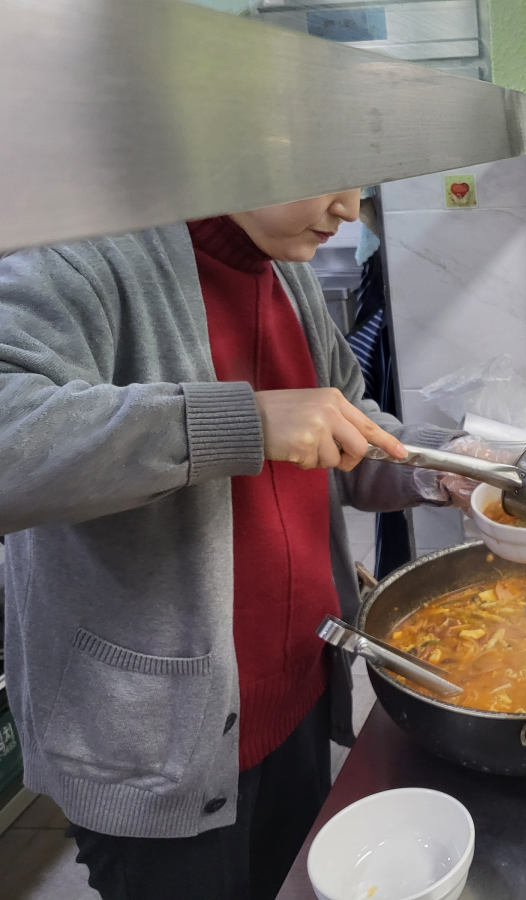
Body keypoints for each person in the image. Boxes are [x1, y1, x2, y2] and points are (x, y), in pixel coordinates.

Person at [0, 192, 468, 900]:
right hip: (158, 750)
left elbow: (349, 431)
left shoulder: (285, 267)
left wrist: (447, 467)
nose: (349, 207)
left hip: (299, 694)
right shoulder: (83, 251)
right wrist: (242, 419)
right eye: (324, 173)